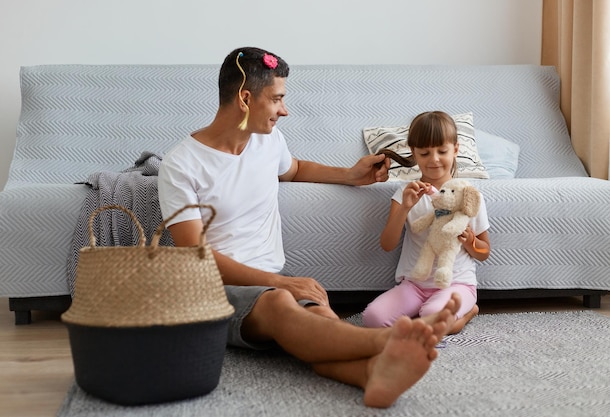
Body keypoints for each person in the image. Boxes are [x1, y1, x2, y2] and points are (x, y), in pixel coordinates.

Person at [158, 47, 462, 408]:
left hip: (270, 285)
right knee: (281, 305)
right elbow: (196, 255)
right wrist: (283, 282)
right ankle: (388, 341)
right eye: (276, 99)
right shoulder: (182, 165)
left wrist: (350, 175)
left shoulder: (268, 141)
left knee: (319, 316)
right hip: (213, 292)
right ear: (244, 98)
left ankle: (372, 375)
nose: (284, 110)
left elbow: (296, 169)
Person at [362, 111, 491, 334]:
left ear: (456, 150)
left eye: (442, 151)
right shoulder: (405, 193)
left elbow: (484, 252)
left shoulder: (469, 195)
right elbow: (387, 244)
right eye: (424, 153)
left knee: (431, 318)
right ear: (414, 152)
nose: (434, 160)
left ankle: (468, 311)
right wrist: (405, 208)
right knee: (372, 318)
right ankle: (433, 318)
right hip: (415, 285)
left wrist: (470, 242)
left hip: (456, 284)